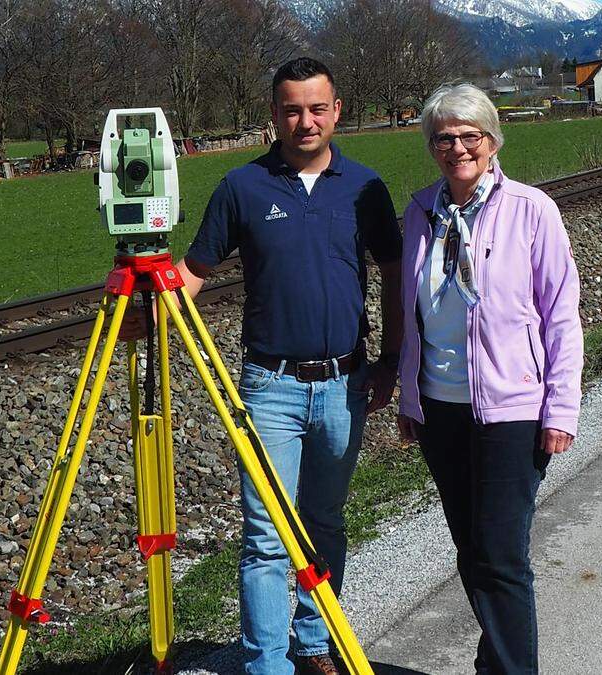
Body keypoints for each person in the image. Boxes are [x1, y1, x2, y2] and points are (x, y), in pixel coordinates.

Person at [127, 57, 403, 674]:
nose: (305, 121)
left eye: (316, 108)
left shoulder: (366, 187)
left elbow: (393, 273)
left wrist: (392, 359)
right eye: (291, 109)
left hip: (345, 382)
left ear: (337, 110)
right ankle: (267, 664)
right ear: (274, 115)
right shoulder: (242, 187)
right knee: (265, 536)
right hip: (270, 385)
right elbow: (194, 271)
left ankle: (314, 643)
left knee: (323, 522)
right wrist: (148, 317)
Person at [395, 83, 583, 674]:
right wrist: (409, 395)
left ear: (492, 139)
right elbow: (408, 309)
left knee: (501, 557)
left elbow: (561, 314)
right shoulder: (421, 212)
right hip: (441, 406)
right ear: (432, 147)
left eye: (469, 135)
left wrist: (561, 408)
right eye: (444, 138)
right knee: (473, 554)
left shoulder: (532, 209)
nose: (457, 148)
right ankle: (496, 663)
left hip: (512, 409)